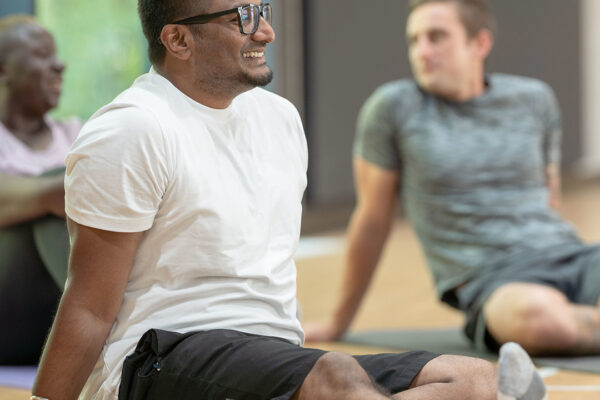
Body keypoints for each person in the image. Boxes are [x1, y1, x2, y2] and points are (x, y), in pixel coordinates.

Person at [32, 1, 546, 399]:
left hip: (269, 356)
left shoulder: (279, 119)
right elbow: (89, 306)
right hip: (160, 357)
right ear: (178, 39)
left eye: (264, 11)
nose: (266, 32)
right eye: (244, 17)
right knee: (338, 376)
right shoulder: (133, 129)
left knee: (476, 380)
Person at [305, 0, 600, 357]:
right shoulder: (392, 109)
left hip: (572, 255)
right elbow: (371, 220)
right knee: (542, 320)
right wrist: (339, 322)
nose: (422, 52)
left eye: (436, 37)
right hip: (492, 279)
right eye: (414, 40)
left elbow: (549, 193)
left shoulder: (534, 99)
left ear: (480, 43)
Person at [0, 14, 79, 364]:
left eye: (56, 55)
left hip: (56, 310)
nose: (59, 65)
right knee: (60, 186)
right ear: (4, 70)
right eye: (42, 55)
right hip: (9, 309)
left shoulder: (75, 134)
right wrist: (50, 196)